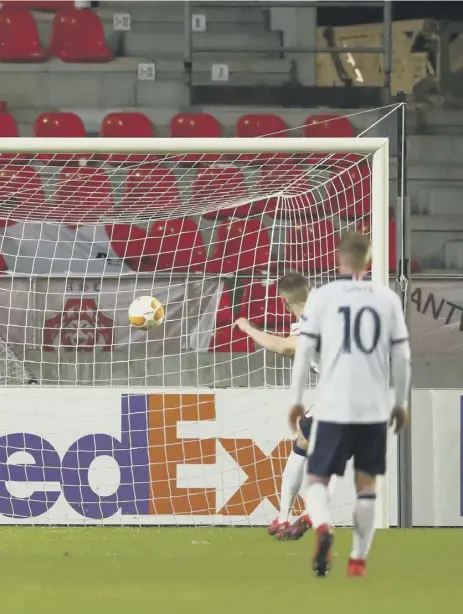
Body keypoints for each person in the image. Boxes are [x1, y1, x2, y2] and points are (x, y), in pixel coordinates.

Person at [288, 231, 410, 578]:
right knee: (366, 484)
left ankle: (322, 527)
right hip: (373, 403)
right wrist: (399, 401)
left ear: (339, 259)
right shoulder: (386, 298)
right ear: (370, 261)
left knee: (317, 476)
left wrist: (296, 401)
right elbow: (401, 356)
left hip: (334, 403)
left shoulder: (322, 297)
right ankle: (357, 559)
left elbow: (303, 354)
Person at [235, 272, 316, 540]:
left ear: (282, 301)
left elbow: (285, 348)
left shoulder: (310, 319)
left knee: (324, 451)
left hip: (343, 390)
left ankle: (310, 513)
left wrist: (247, 328)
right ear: (311, 288)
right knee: (306, 442)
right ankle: (285, 516)